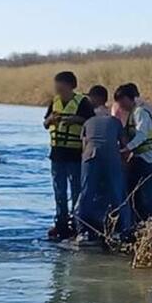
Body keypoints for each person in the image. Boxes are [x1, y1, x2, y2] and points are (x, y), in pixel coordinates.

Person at [74, 88, 132, 243]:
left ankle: (83, 231)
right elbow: (125, 146)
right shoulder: (115, 121)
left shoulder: (88, 122)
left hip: (90, 157)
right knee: (118, 193)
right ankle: (125, 231)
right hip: (111, 157)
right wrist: (125, 163)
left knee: (86, 194)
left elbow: (84, 146)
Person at [44, 71, 95, 240]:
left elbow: (92, 123)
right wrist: (50, 119)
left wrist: (76, 120)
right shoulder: (55, 101)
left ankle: (77, 224)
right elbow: (45, 123)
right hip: (57, 154)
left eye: (61, 87)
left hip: (75, 154)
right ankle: (61, 224)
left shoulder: (83, 102)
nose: (58, 90)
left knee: (76, 191)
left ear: (71, 86)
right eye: (56, 87)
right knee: (59, 191)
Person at [114, 84, 152, 222]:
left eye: (122, 101)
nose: (121, 105)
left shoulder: (140, 112)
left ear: (130, 99)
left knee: (146, 197)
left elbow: (142, 135)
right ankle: (139, 222)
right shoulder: (132, 113)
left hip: (148, 160)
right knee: (134, 193)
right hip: (139, 159)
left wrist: (127, 148)